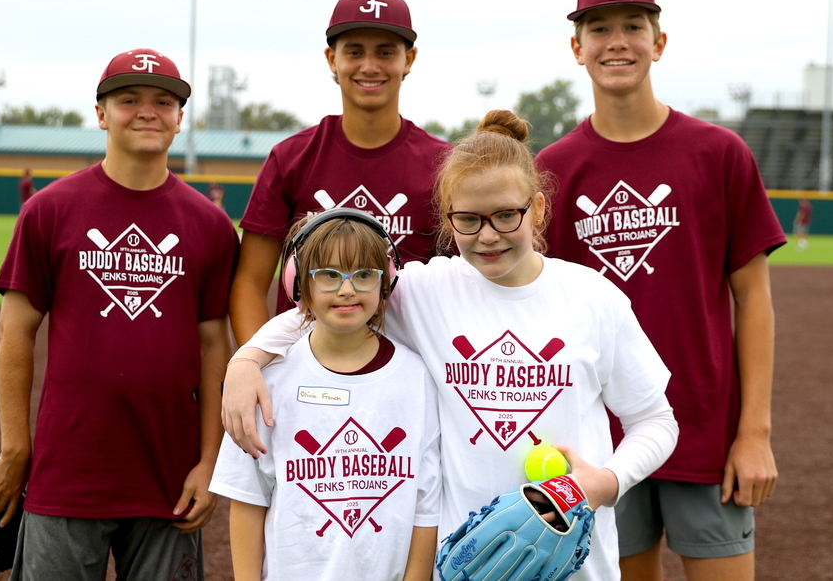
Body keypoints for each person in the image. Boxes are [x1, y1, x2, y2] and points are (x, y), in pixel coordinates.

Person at [224, 111, 680, 581]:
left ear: (538, 209)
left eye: (507, 215)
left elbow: (655, 421)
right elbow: (329, 307)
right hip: (458, 566)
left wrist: (606, 483)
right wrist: (246, 360)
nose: (487, 235)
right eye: (468, 219)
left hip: (572, 566)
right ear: (446, 218)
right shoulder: (425, 291)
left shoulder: (593, 297)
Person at [534, 0, 787, 581]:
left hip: (706, 425)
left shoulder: (719, 153)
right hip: (603, 438)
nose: (616, 41)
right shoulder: (554, 168)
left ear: (659, 42)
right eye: (598, 28)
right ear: (577, 47)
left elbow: (753, 298)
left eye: (633, 26)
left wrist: (753, 431)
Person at [0, 48, 239, 580]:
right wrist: (15, 448)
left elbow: (216, 346)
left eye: (163, 101)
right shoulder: (50, 210)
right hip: (69, 468)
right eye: (128, 100)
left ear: (179, 118)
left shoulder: (210, 224)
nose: (147, 111)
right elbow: (14, 332)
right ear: (101, 114)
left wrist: (210, 462)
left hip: (169, 473)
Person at [210, 210, 441, 581]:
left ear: (387, 283)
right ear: (299, 285)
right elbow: (248, 500)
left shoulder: (418, 380)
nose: (347, 289)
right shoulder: (268, 382)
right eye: (329, 275)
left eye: (364, 274)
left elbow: (426, 507)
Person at [229, 0, 451, 348]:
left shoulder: (442, 165)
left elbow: (462, 286)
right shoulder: (291, 158)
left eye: (385, 52)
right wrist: (259, 363)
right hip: (306, 371)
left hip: (409, 371)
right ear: (332, 59)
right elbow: (251, 282)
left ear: (408, 60)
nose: (369, 66)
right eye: (354, 51)